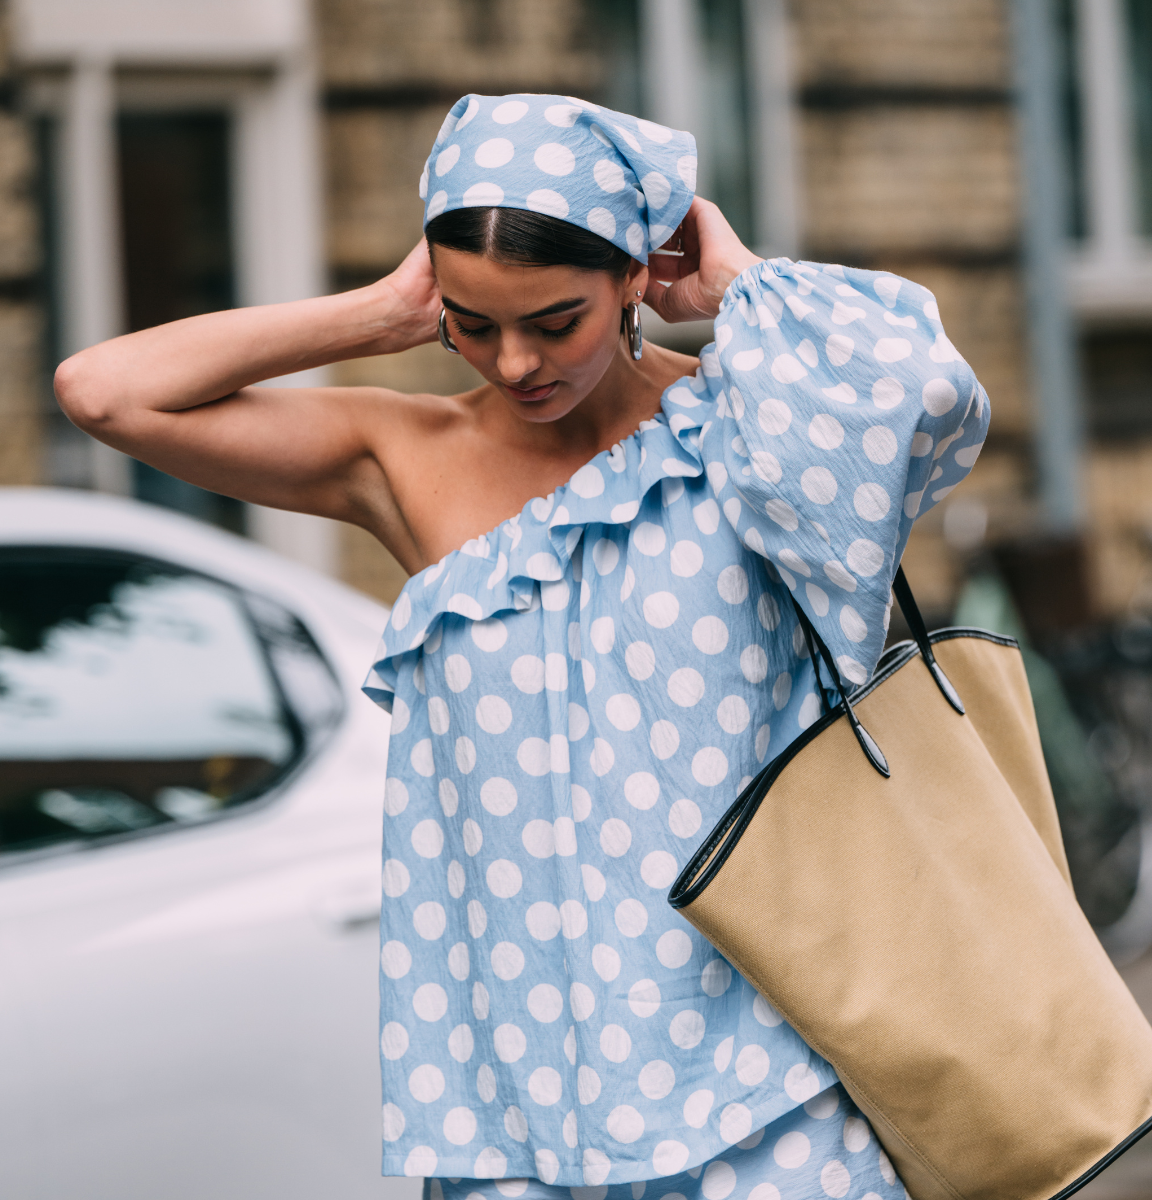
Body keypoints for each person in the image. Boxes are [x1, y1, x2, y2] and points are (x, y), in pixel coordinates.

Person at [56, 93, 989, 1200]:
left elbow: (926, 388)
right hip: (513, 1124)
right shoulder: (402, 458)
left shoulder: (748, 434)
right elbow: (105, 393)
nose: (514, 364)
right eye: (475, 322)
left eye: (555, 322)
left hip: (773, 1087)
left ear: (634, 276)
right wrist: (383, 311)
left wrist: (735, 285)